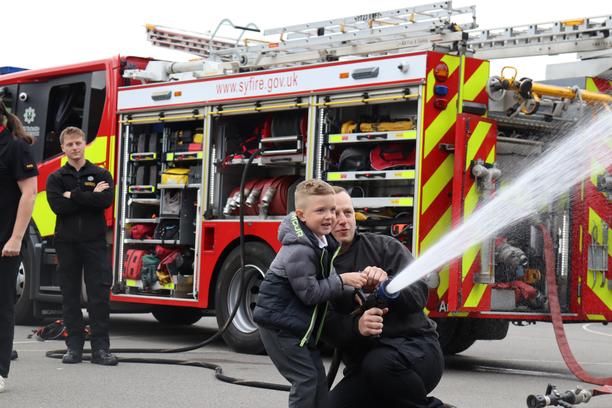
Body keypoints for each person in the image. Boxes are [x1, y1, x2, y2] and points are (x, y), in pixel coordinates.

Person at [324, 186, 455, 408]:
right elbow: (324, 327)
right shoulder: (320, 266)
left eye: (348, 212)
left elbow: (419, 295)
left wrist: (389, 284)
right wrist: (357, 327)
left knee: (379, 365)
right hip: (365, 367)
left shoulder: (385, 247)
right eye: (336, 214)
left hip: (416, 352)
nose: (344, 220)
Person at [253, 179, 366, 408]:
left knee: (318, 380)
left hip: (297, 328)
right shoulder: (299, 250)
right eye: (320, 210)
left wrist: (350, 291)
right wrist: (343, 279)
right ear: (301, 215)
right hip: (279, 329)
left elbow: (329, 279)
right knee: (305, 380)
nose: (329, 217)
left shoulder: (322, 242)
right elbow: (310, 293)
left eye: (332, 210)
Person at [46, 126, 118, 366]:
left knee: (99, 296)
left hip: (94, 242)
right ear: (63, 148)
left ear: (85, 144)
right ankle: (74, 348)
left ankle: (101, 350)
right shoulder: (55, 178)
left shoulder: (101, 174)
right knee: (70, 296)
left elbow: (105, 201)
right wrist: (89, 196)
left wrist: (73, 195)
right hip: (66, 243)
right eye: (70, 144)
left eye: (78, 143)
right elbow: (58, 207)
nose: (75, 148)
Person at [0, 101, 38, 393]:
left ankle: (0, 371)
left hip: (5, 243)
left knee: (2, 307)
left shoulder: (16, 147)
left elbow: (30, 193)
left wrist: (16, 238)